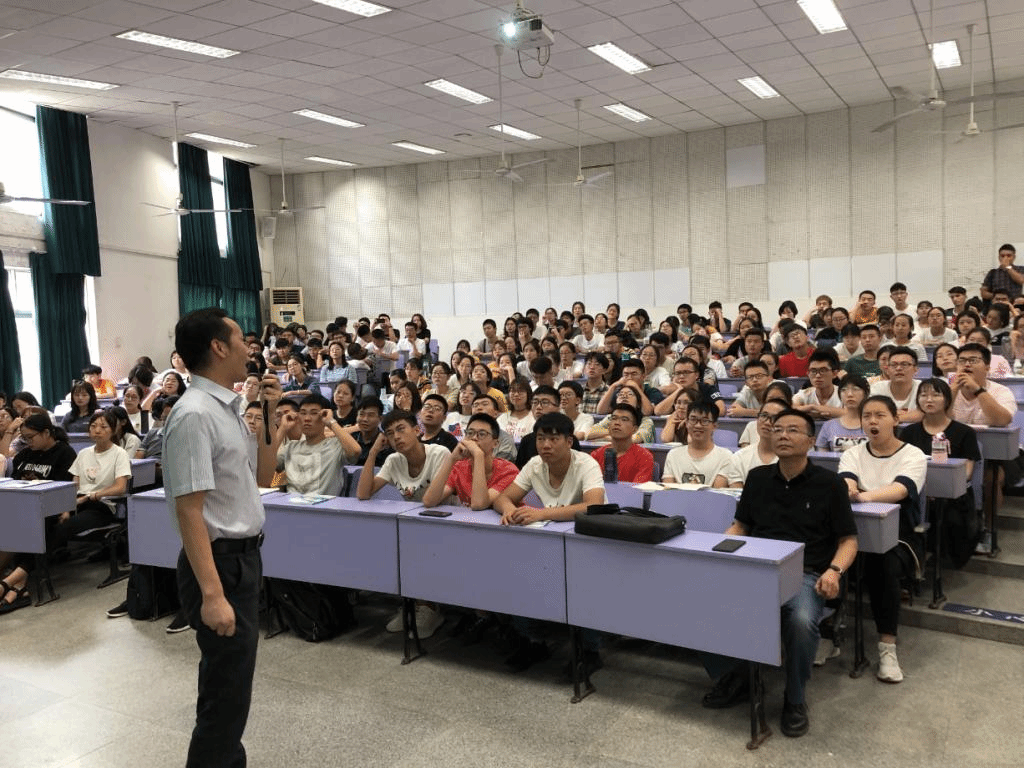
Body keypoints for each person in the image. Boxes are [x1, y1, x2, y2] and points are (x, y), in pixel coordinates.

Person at [162, 308, 280, 768]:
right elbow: (189, 509)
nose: (249, 348)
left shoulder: (225, 408)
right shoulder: (194, 413)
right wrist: (212, 595)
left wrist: (270, 413)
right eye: (239, 338)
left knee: (231, 689)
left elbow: (263, 476)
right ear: (217, 347)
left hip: (243, 561)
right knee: (225, 698)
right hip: (219, 565)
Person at [701, 408, 858, 739]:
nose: (783, 435)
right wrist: (722, 548)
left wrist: (834, 571)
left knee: (800, 621)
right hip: (757, 567)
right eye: (778, 429)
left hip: (806, 573)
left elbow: (848, 541)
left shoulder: (830, 484)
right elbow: (741, 525)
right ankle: (739, 677)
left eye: (793, 430)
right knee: (706, 600)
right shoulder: (758, 478)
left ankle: (795, 698)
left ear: (811, 441)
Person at [838, 395, 927, 684]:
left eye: (880, 415)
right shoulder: (853, 452)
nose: (872, 421)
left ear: (896, 419)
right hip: (854, 529)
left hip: (898, 535)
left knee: (884, 563)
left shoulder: (913, 454)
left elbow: (900, 490)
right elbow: (846, 479)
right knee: (823, 553)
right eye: (867, 416)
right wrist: (849, 489)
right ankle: (828, 632)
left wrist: (861, 496)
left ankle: (887, 647)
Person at [357, 410, 450, 638]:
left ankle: (430, 608)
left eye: (401, 429)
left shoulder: (439, 453)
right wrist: (373, 452)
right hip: (414, 525)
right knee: (388, 545)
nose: (396, 437)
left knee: (417, 547)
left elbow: (433, 500)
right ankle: (412, 604)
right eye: (390, 434)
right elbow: (363, 493)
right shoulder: (393, 460)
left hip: (445, 523)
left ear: (417, 430)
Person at [0, 414, 77, 613]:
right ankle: (17, 585)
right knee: (8, 523)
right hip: (21, 506)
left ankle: (12, 582)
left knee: (37, 526)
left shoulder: (64, 453)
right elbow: (14, 481)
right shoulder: (25, 454)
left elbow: (65, 488)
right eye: (24, 438)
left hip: (50, 509)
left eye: (31, 437)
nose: (27, 442)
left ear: (46, 433)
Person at [56, 411, 132, 548]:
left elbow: (120, 487)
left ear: (113, 430)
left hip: (101, 506)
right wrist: (67, 509)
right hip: (77, 503)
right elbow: (74, 485)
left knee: (63, 528)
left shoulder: (120, 454)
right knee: (48, 522)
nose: (97, 430)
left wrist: (93, 495)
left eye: (103, 427)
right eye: (93, 426)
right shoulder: (83, 453)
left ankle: (36, 563)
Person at [421, 412, 519, 510]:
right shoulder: (459, 466)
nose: (474, 438)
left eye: (482, 434)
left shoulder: (509, 471)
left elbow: (479, 504)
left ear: (495, 443)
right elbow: (429, 501)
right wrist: (451, 459)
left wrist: (478, 455)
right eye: (470, 433)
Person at [272, 394, 348, 496]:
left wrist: (331, 422)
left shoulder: (335, 446)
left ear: (324, 416)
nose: (307, 418)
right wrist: (283, 428)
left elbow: (356, 451)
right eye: (303, 413)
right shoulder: (290, 447)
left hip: (324, 504)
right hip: (291, 503)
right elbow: (269, 466)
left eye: (314, 413)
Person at [661, 400, 732, 486]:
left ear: (714, 426)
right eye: (693, 420)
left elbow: (717, 492)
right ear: (686, 423)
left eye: (705, 421)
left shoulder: (725, 457)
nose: (698, 425)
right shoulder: (673, 455)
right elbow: (668, 490)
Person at [722, 398, 787, 487]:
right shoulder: (740, 458)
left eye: (775, 418)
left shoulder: (792, 460)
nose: (767, 422)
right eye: (764, 415)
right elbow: (737, 493)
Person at [588, 403, 655, 483]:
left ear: (634, 429)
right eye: (614, 418)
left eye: (624, 419)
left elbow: (637, 489)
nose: (617, 423)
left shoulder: (644, 457)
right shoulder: (596, 455)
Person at [815, 375, 870, 452]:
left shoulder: (873, 424)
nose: (850, 394)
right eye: (844, 390)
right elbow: (822, 456)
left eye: (856, 389)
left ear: (866, 394)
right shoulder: (829, 426)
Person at [586, 385, 656, 444]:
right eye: (620, 394)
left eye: (630, 394)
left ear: (638, 403)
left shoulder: (646, 421)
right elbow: (588, 433)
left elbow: (634, 439)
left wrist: (603, 436)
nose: (624, 396)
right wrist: (615, 432)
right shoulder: (610, 417)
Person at [869, 346, 922, 423]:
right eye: (894, 365)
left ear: (915, 369)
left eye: (904, 364)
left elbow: (924, 414)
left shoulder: (922, 388)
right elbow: (874, 413)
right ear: (887, 370)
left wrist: (889, 416)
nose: (898, 368)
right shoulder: (878, 388)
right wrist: (910, 415)